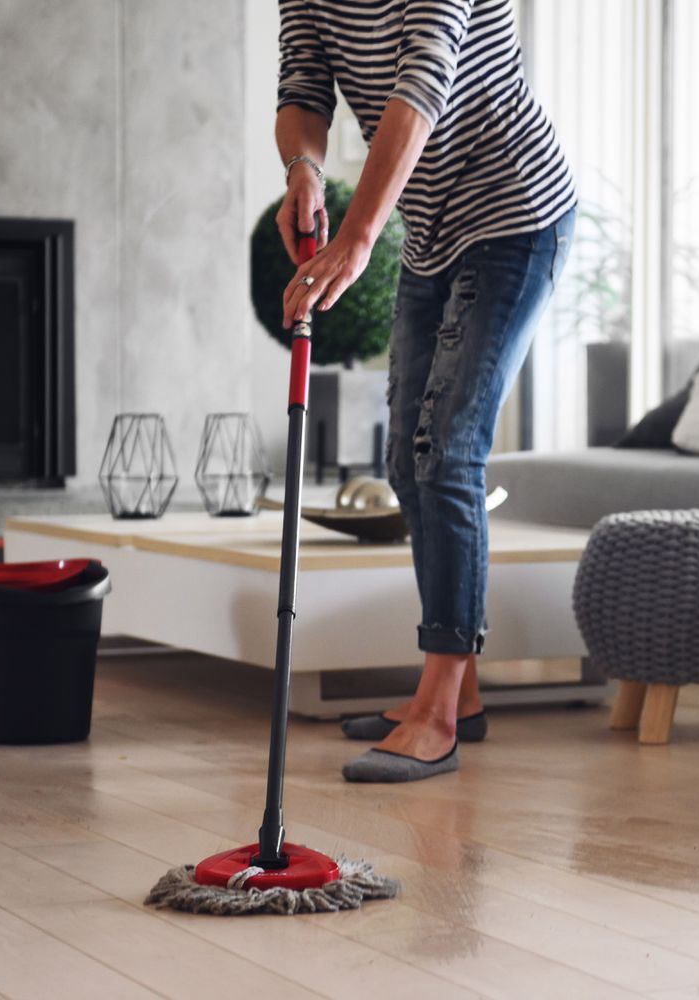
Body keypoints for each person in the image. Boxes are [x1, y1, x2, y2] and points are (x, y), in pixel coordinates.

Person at [274, 0, 575, 782]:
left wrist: (357, 237)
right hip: (429, 227)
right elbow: (304, 83)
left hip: (515, 215)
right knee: (406, 462)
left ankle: (437, 710)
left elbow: (424, 80)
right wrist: (304, 166)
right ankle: (461, 694)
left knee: (446, 452)